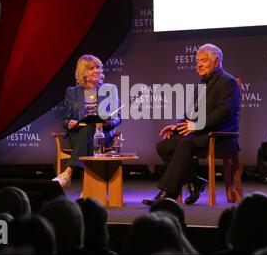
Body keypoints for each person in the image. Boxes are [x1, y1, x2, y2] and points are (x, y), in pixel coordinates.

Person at [142, 43, 240, 206]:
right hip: (201, 133)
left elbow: (223, 113)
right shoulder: (202, 83)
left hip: (220, 135)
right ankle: (195, 182)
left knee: (185, 143)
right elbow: (191, 113)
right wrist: (178, 125)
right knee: (164, 146)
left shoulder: (227, 82)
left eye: (203, 61)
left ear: (216, 62)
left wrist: (195, 126)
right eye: (197, 61)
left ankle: (167, 193)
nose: (198, 65)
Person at [53, 54, 121, 187]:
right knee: (88, 128)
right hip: (78, 134)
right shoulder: (72, 92)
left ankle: (68, 172)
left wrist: (109, 122)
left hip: (103, 133)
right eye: (91, 68)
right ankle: (89, 189)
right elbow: (65, 119)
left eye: (98, 67)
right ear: (83, 72)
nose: (97, 70)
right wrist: (69, 123)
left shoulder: (109, 90)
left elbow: (117, 118)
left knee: (91, 128)